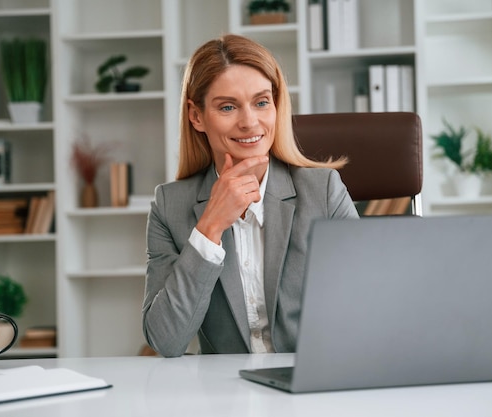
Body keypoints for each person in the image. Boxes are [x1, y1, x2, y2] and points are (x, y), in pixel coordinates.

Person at [142, 34, 358, 357]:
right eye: (228, 107)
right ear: (196, 116)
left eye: (261, 102)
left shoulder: (324, 192)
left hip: (309, 388)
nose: (249, 122)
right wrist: (209, 228)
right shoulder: (169, 207)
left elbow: (367, 309)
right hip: (225, 398)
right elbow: (165, 341)